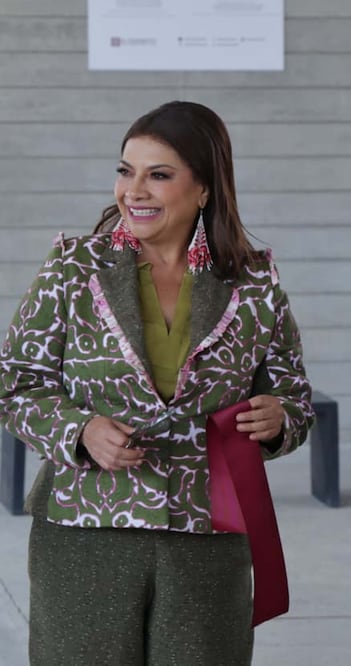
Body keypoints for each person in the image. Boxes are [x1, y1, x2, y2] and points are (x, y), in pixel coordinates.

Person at [0, 101, 314, 665]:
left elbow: (293, 396)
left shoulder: (254, 279)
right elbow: (14, 383)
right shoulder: (74, 267)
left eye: (158, 174)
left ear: (204, 188)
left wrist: (278, 421)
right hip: (85, 531)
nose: (134, 190)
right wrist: (81, 429)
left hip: (210, 534)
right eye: (126, 171)